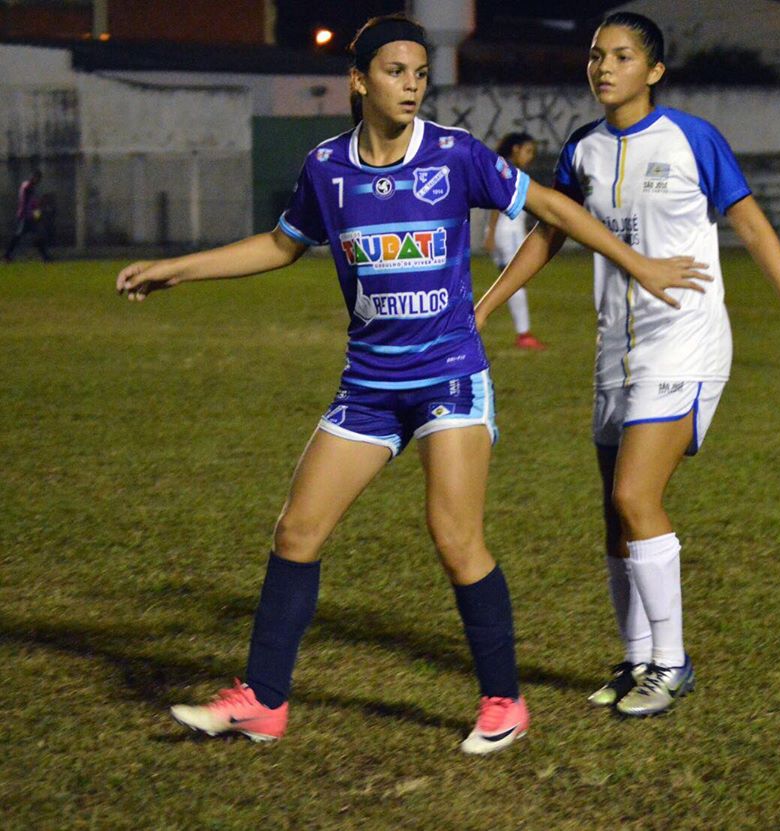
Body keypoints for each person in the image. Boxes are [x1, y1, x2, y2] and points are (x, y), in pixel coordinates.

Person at [115, 14, 708, 754]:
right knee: (297, 533)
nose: (412, 85)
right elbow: (278, 245)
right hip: (368, 385)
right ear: (359, 79)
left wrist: (641, 263)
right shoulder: (326, 168)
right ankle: (263, 701)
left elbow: (552, 206)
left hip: (450, 378)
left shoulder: (455, 155)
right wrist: (177, 268)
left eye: (421, 74)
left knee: (456, 538)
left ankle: (504, 702)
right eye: (396, 72)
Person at [476, 12, 780, 719]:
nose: (603, 67)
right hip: (617, 345)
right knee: (615, 514)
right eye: (595, 55)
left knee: (637, 496)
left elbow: (752, 223)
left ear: (654, 70)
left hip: (688, 338)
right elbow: (551, 234)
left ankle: (672, 664)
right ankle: (638, 657)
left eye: (621, 56)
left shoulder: (691, 138)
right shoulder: (580, 150)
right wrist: (486, 305)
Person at [483, 132, 545, 350]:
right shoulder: (507, 171)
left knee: (512, 282)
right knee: (516, 283)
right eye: (528, 151)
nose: (531, 156)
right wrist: (491, 233)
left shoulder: (505, 169)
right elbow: (498, 205)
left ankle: (522, 333)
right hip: (507, 233)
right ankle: (524, 334)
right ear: (516, 149)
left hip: (508, 232)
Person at [4, 170, 51, 262]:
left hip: (30, 217)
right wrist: (36, 214)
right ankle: (7, 255)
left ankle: (45, 257)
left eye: (38, 178)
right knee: (18, 236)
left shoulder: (29, 187)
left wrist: (37, 216)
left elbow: (33, 205)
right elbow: (30, 204)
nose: (37, 180)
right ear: (33, 177)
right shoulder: (28, 187)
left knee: (37, 235)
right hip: (25, 217)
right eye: (36, 178)